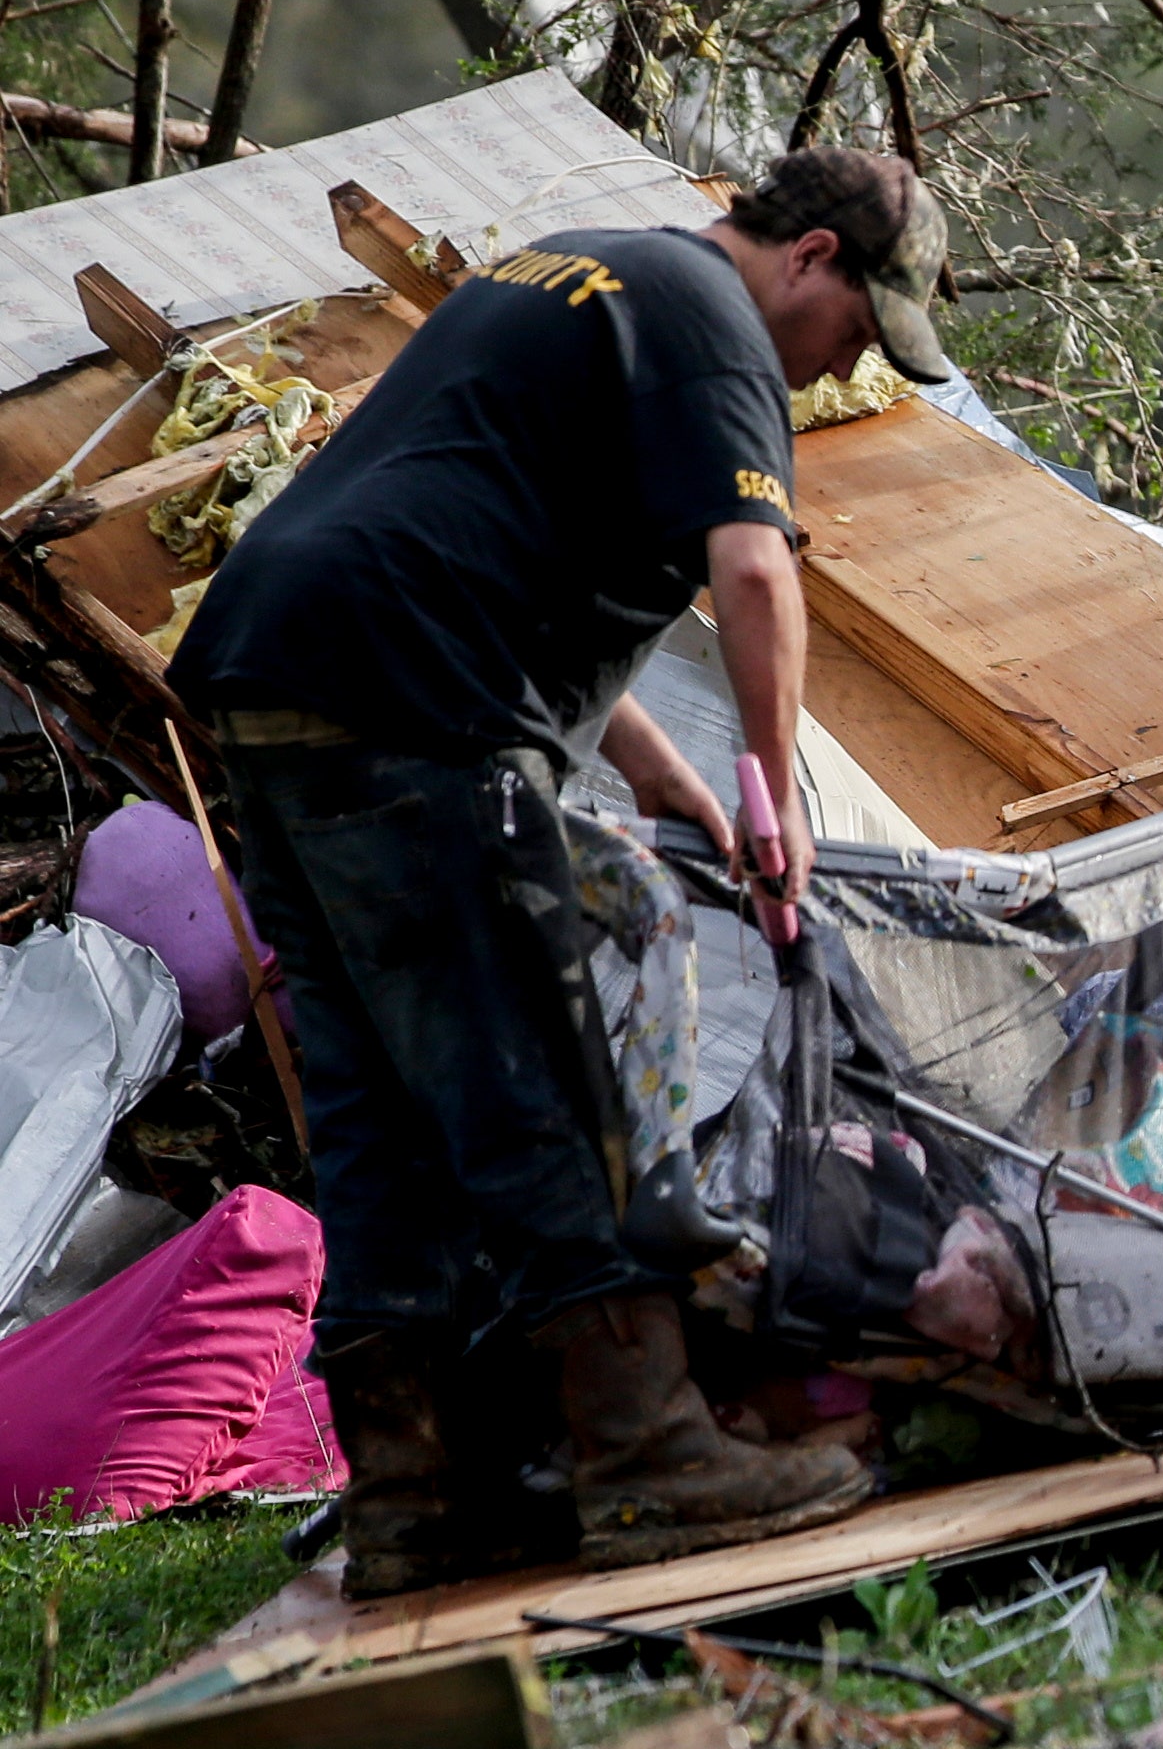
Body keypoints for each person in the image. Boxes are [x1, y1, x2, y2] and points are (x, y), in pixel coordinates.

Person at [173, 146, 957, 1593]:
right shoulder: (713, 319)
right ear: (816, 260)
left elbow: (490, 530)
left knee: (381, 1112)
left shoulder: (589, 267)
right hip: (411, 691)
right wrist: (772, 797)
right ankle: (650, 1456)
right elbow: (757, 573)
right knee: (542, 1070)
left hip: (274, 669)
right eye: (852, 335)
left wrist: (655, 770)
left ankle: (421, 1496)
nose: (832, 367)